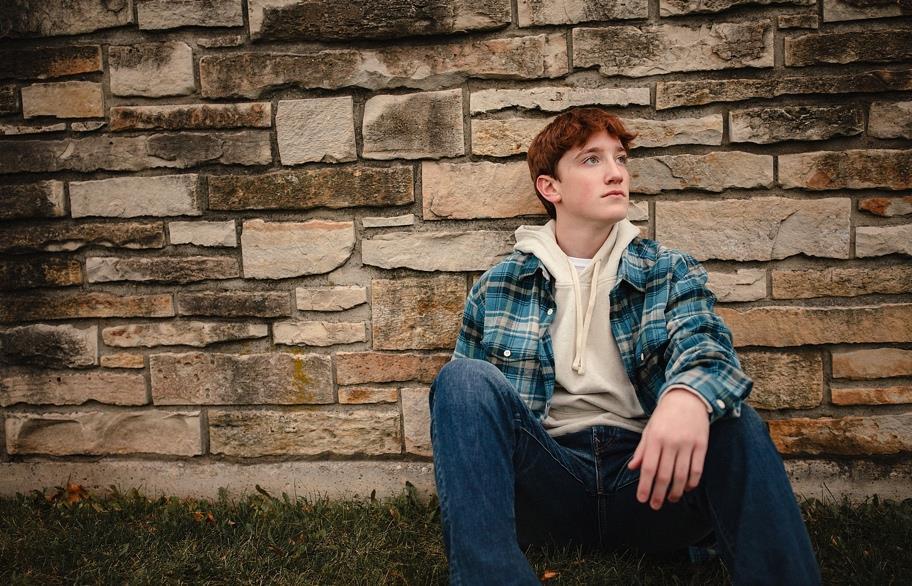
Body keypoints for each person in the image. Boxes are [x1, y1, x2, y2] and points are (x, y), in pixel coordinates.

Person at [429, 107, 821, 585]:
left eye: (620, 158)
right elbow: (469, 427)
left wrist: (688, 398)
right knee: (463, 380)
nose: (616, 173)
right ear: (550, 187)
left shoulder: (667, 270)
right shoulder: (499, 286)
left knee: (730, 417)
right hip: (550, 485)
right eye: (592, 160)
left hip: (651, 481)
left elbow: (707, 348)